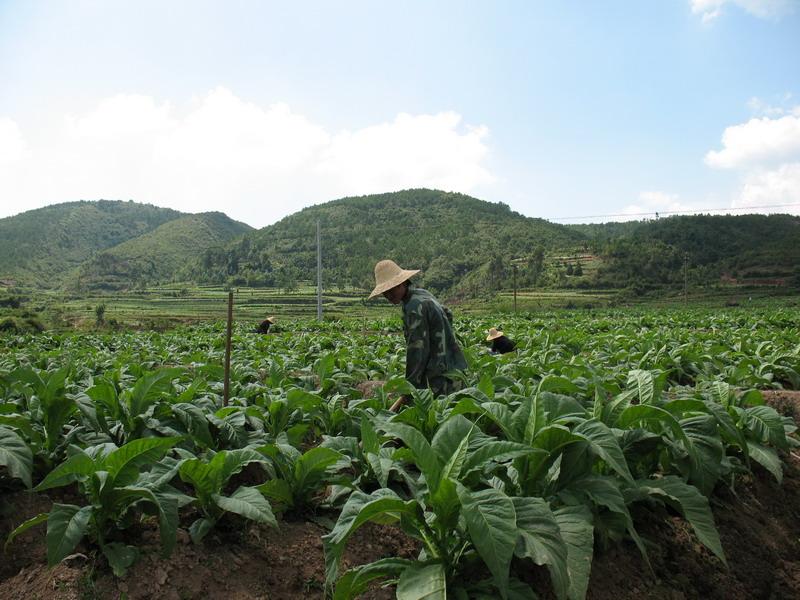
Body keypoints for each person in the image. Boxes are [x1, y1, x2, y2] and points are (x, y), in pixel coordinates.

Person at [369, 259, 467, 411]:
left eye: (392, 289)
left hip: (439, 381)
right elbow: (448, 313)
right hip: (455, 371)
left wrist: (410, 386)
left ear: (402, 283)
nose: (388, 295)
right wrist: (442, 341)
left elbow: (417, 351)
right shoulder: (421, 294)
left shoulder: (414, 308)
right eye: (385, 291)